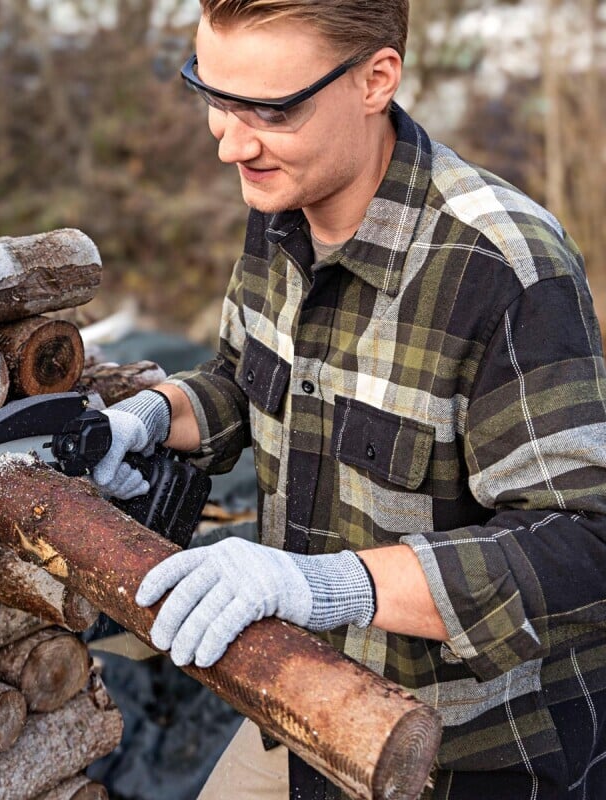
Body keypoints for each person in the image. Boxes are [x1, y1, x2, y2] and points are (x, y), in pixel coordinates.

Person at [90, 1, 606, 798]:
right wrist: (154, 417)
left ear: (376, 80)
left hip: (465, 750)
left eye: (270, 109)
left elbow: (582, 545)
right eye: (214, 98)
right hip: (300, 700)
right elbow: (244, 377)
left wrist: (325, 585)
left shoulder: (503, 268)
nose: (230, 141)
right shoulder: (280, 202)